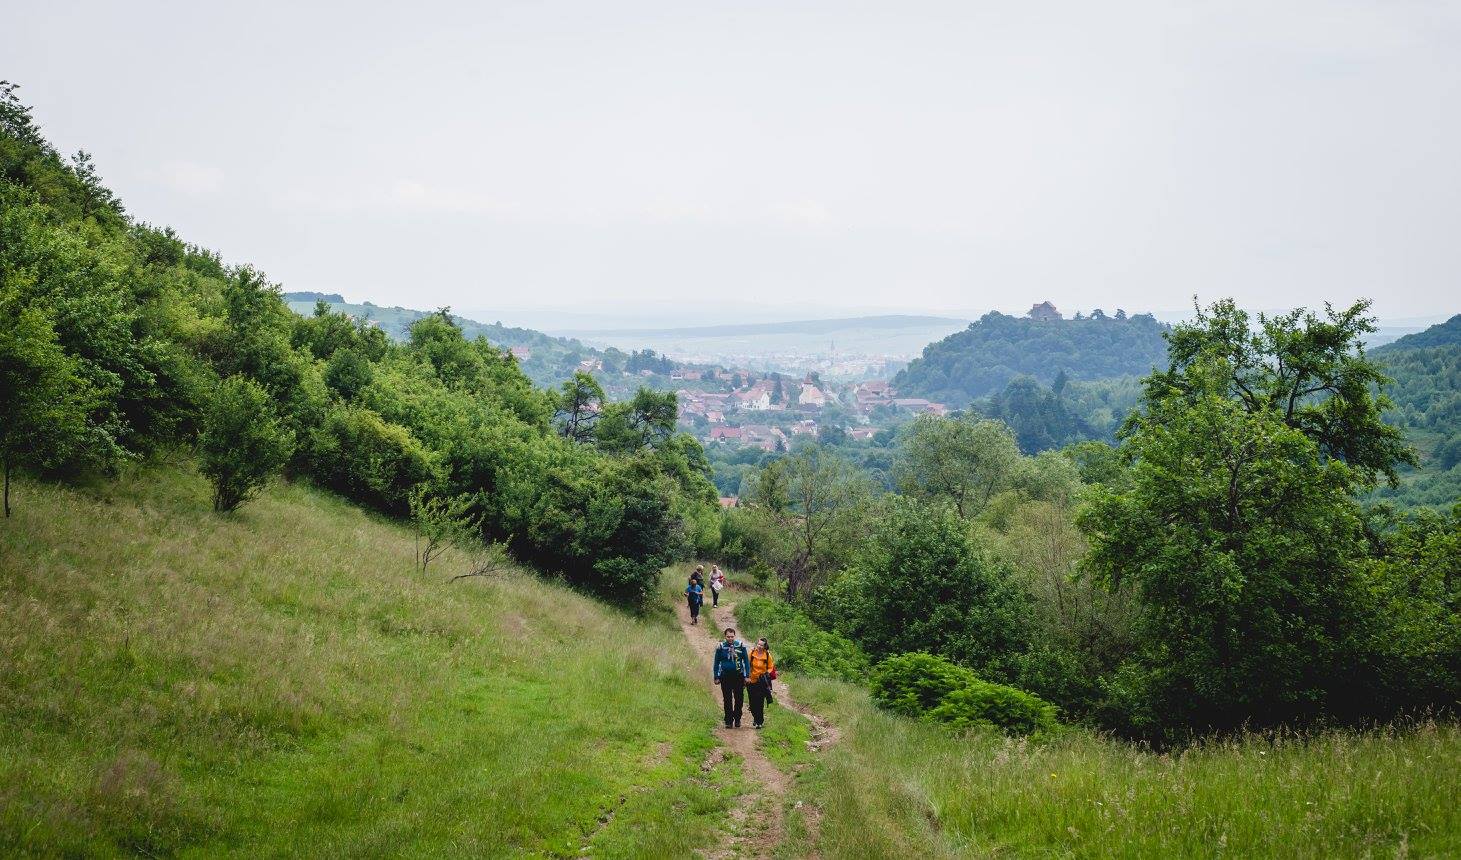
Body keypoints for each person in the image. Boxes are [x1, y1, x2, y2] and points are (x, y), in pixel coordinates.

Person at [712, 627, 750, 728]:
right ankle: (728, 720)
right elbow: (716, 662)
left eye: (732, 636)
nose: (730, 638)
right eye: (728, 637)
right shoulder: (721, 647)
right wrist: (716, 676)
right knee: (727, 699)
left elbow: (746, 661)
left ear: (734, 636)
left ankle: (737, 718)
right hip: (725, 676)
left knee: (739, 698)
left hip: (738, 676)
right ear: (725, 636)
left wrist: (747, 676)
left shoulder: (740, 646)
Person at [747, 637, 776, 729]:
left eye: (761, 645)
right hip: (751, 681)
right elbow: (747, 665)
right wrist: (746, 676)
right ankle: (755, 718)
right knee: (752, 702)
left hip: (762, 682)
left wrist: (766, 674)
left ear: (765, 646)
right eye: (758, 644)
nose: (759, 646)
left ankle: (759, 721)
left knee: (760, 702)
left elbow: (771, 667)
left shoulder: (767, 655)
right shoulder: (751, 653)